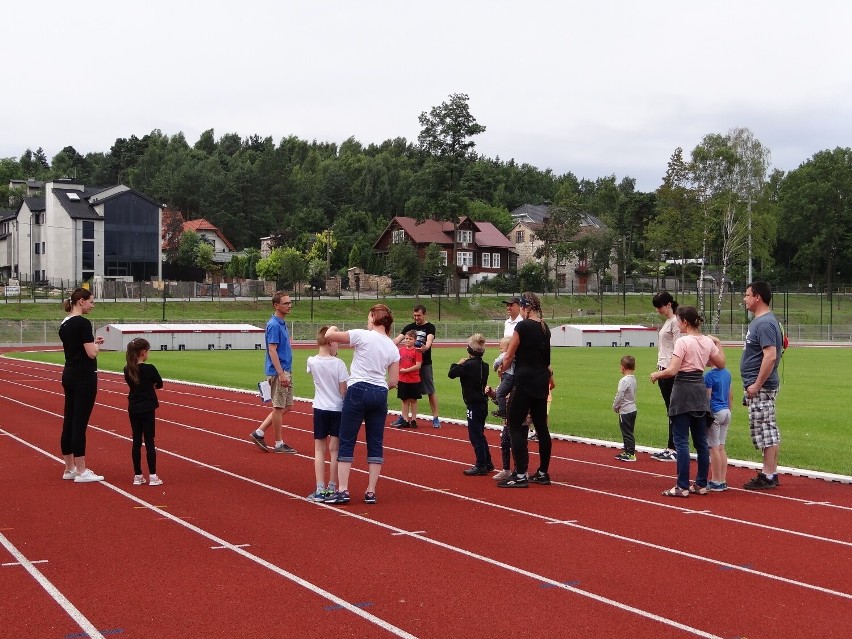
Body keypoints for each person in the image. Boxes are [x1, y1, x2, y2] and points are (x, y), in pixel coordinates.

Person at [323, 304, 400, 505]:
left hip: (358, 388)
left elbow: (331, 337)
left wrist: (331, 328)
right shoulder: (392, 346)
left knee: (347, 440)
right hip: (380, 392)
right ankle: (371, 491)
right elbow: (393, 381)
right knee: (375, 443)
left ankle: (343, 490)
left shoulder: (362, 335)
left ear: (374, 318)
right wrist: (379, 388)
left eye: (368, 316)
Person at [651, 306, 725, 497]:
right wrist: (717, 343)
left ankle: (682, 485)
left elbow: (673, 370)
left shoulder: (683, 341)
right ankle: (701, 484)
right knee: (701, 441)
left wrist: (657, 374)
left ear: (684, 321)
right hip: (699, 391)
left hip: (683, 389)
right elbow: (721, 364)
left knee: (681, 440)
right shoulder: (707, 342)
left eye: (678, 320)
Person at [497, 292, 553, 488]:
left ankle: (520, 473)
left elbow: (510, 354)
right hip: (541, 380)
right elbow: (547, 361)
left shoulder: (522, 326)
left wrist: (502, 368)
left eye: (520, 307)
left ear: (525, 307)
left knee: (514, 424)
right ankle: (543, 472)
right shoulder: (545, 328)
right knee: (541, 427)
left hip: (524, 379)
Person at [59, 287, 106, 483]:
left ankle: (69, 468)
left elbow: (78, 347)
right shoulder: (83, 323)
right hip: (84, 377)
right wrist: (97, 345)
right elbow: (91, 353)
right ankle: (81, 470)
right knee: (80, 423)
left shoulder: (65, 323)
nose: (92, 305)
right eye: (91, 302)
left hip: (69, 374)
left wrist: (91, 343)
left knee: (69, 421)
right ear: (81, 301)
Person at [740, 281, 784, 490]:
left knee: (766, 429)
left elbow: (770, 356)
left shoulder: (764, 323)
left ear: (757, 297)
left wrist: (757, 384)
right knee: (766, 428)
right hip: (759, 384)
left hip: (761, 386)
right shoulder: (763, 322)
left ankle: (768, 475)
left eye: (747, 295)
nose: (745, 299)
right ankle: (770, 472)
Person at [305, 327, 349, 501]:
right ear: (331, 342)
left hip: (320, 408)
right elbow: (343, 390)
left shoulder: (311, 361)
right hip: (337, 408)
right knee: (334, 449)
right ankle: (332, 486)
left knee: (319, 449)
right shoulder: (339, 364)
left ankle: (320, 488)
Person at [250, 292, 297, 454]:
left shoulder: (281, 323)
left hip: (285, 370)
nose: (289, 305)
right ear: (276, 305)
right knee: (278, 407)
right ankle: (278, 443)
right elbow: (272, 350)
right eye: (286, 303)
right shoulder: (274, 325)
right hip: (279, 372)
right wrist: (281, 373)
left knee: (287, 405)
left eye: (290, 302)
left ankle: (259, 432)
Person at [449, 333, 493, 476]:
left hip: (473, 404)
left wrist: (458, 363)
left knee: (475, 435)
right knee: (480, 433)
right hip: (483, 403)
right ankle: (487, 462)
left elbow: (451, 373)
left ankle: (481, 464)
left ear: (469, 350)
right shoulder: (485, 366)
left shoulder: (467, 365)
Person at [124, 338, 164, 486]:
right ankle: (153, 475)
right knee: (149, 441)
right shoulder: (150, 368)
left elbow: (133, 383)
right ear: (143, 352)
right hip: (147, 408)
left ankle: (138, 475)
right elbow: (159, 383)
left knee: (136, 441)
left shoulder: (127, 369)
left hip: (134, 407)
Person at [395, 305, 440, 428]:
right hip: (408, 365)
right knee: (405, 391)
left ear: (424, 314)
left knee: (430, 390)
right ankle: (403, 417)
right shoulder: (409, 327)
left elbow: (429, 340)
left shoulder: (429, 327)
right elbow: (397, 340)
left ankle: (435, 417)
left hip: (424, 364)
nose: (416, 318)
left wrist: (426, 347)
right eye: (414, 315)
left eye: (419, 315)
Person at [650, 291, 681, 462]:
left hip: (669, 370)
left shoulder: (675, 322)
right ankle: (671, 446)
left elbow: (679, 346)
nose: (658, 310)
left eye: (660, 306)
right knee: (671, 410)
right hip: (664, 368)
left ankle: (674, 447)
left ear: (669, 304)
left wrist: (669, 369)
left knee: (674, 410)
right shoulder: (669, 322)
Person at [705, 364, 733, 491]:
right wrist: (729, 409)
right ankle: (722, 479)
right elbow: (730, 395)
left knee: (714, 448)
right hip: (726, 411)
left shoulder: (709, 376)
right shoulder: (727, 373)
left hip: (715, 411)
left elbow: (707, 398)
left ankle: (716, 480)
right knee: (721, 447)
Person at [393, 330, 422, 428]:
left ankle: (413, 419)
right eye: (406, 338)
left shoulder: (417, 351)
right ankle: (405, 419)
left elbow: (418, 365)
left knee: (413, 400)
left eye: (410, 339)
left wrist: (406, 370)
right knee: (404, 400)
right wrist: (397, 377)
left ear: (415, 340)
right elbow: (397, 364)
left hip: (414, 379)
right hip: (402, 379)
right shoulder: (400, 350)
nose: (408, 340)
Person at [613, 355, 638, 462]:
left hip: (625, 410)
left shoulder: (624, 380)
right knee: (629, 431)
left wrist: (615, 406)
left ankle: (630, 453)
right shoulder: (633, 379)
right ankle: (627, 450)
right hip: (632, 409)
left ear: (622, 367)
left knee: (627, 432)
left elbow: (620, 394)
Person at [492, 336, 514, 418]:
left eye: (501, 348)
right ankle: (500, 403)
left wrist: (494, 367)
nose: (500, 350)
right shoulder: (514, 354)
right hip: (512, 377)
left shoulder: (505, 354)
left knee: (500, 393)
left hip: (508, 376)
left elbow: (497, 361)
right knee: (504, 393)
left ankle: (502, 411)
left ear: (508, 347)